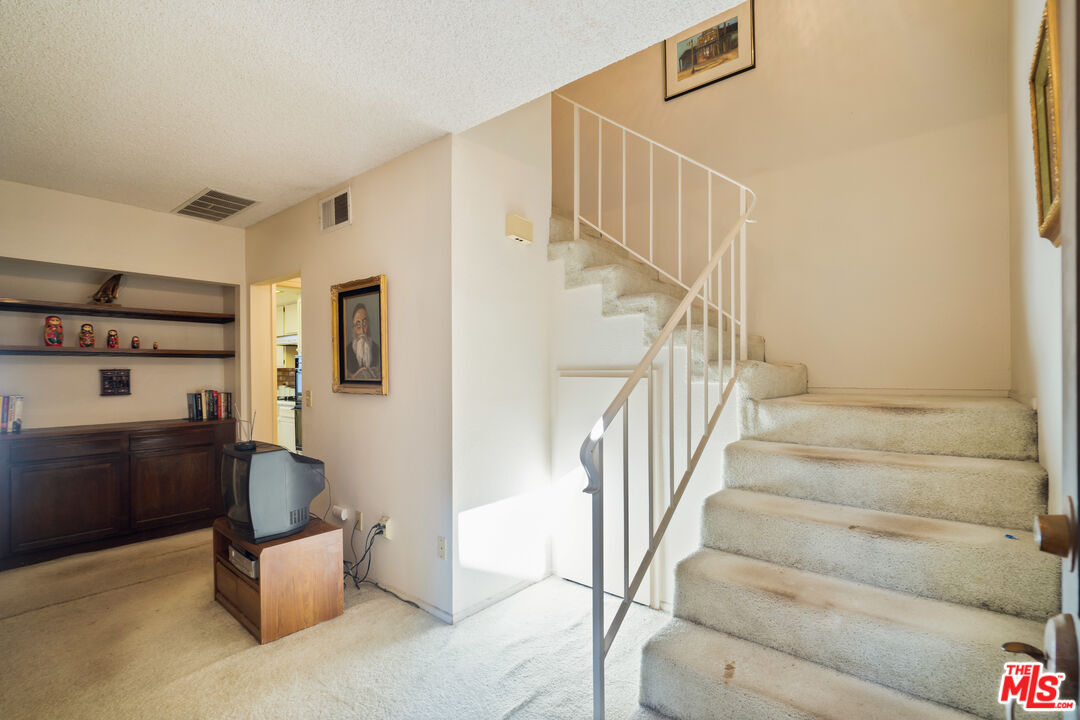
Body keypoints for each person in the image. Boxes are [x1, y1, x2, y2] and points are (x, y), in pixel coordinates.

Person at [346, 303, 380, 380]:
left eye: (364, 323)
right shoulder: (347, 351)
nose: (362, 331)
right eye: (358, 325)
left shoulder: (376, 349)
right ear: (353, 328)